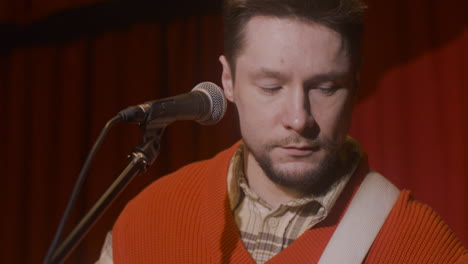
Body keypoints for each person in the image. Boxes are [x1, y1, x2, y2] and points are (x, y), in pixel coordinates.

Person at [97, 0, 467, 263]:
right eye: (271, 87)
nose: (298, 118)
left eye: (324, 87)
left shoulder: (420, 246)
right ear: (228, 80)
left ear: (355, 83)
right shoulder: (149, 217)